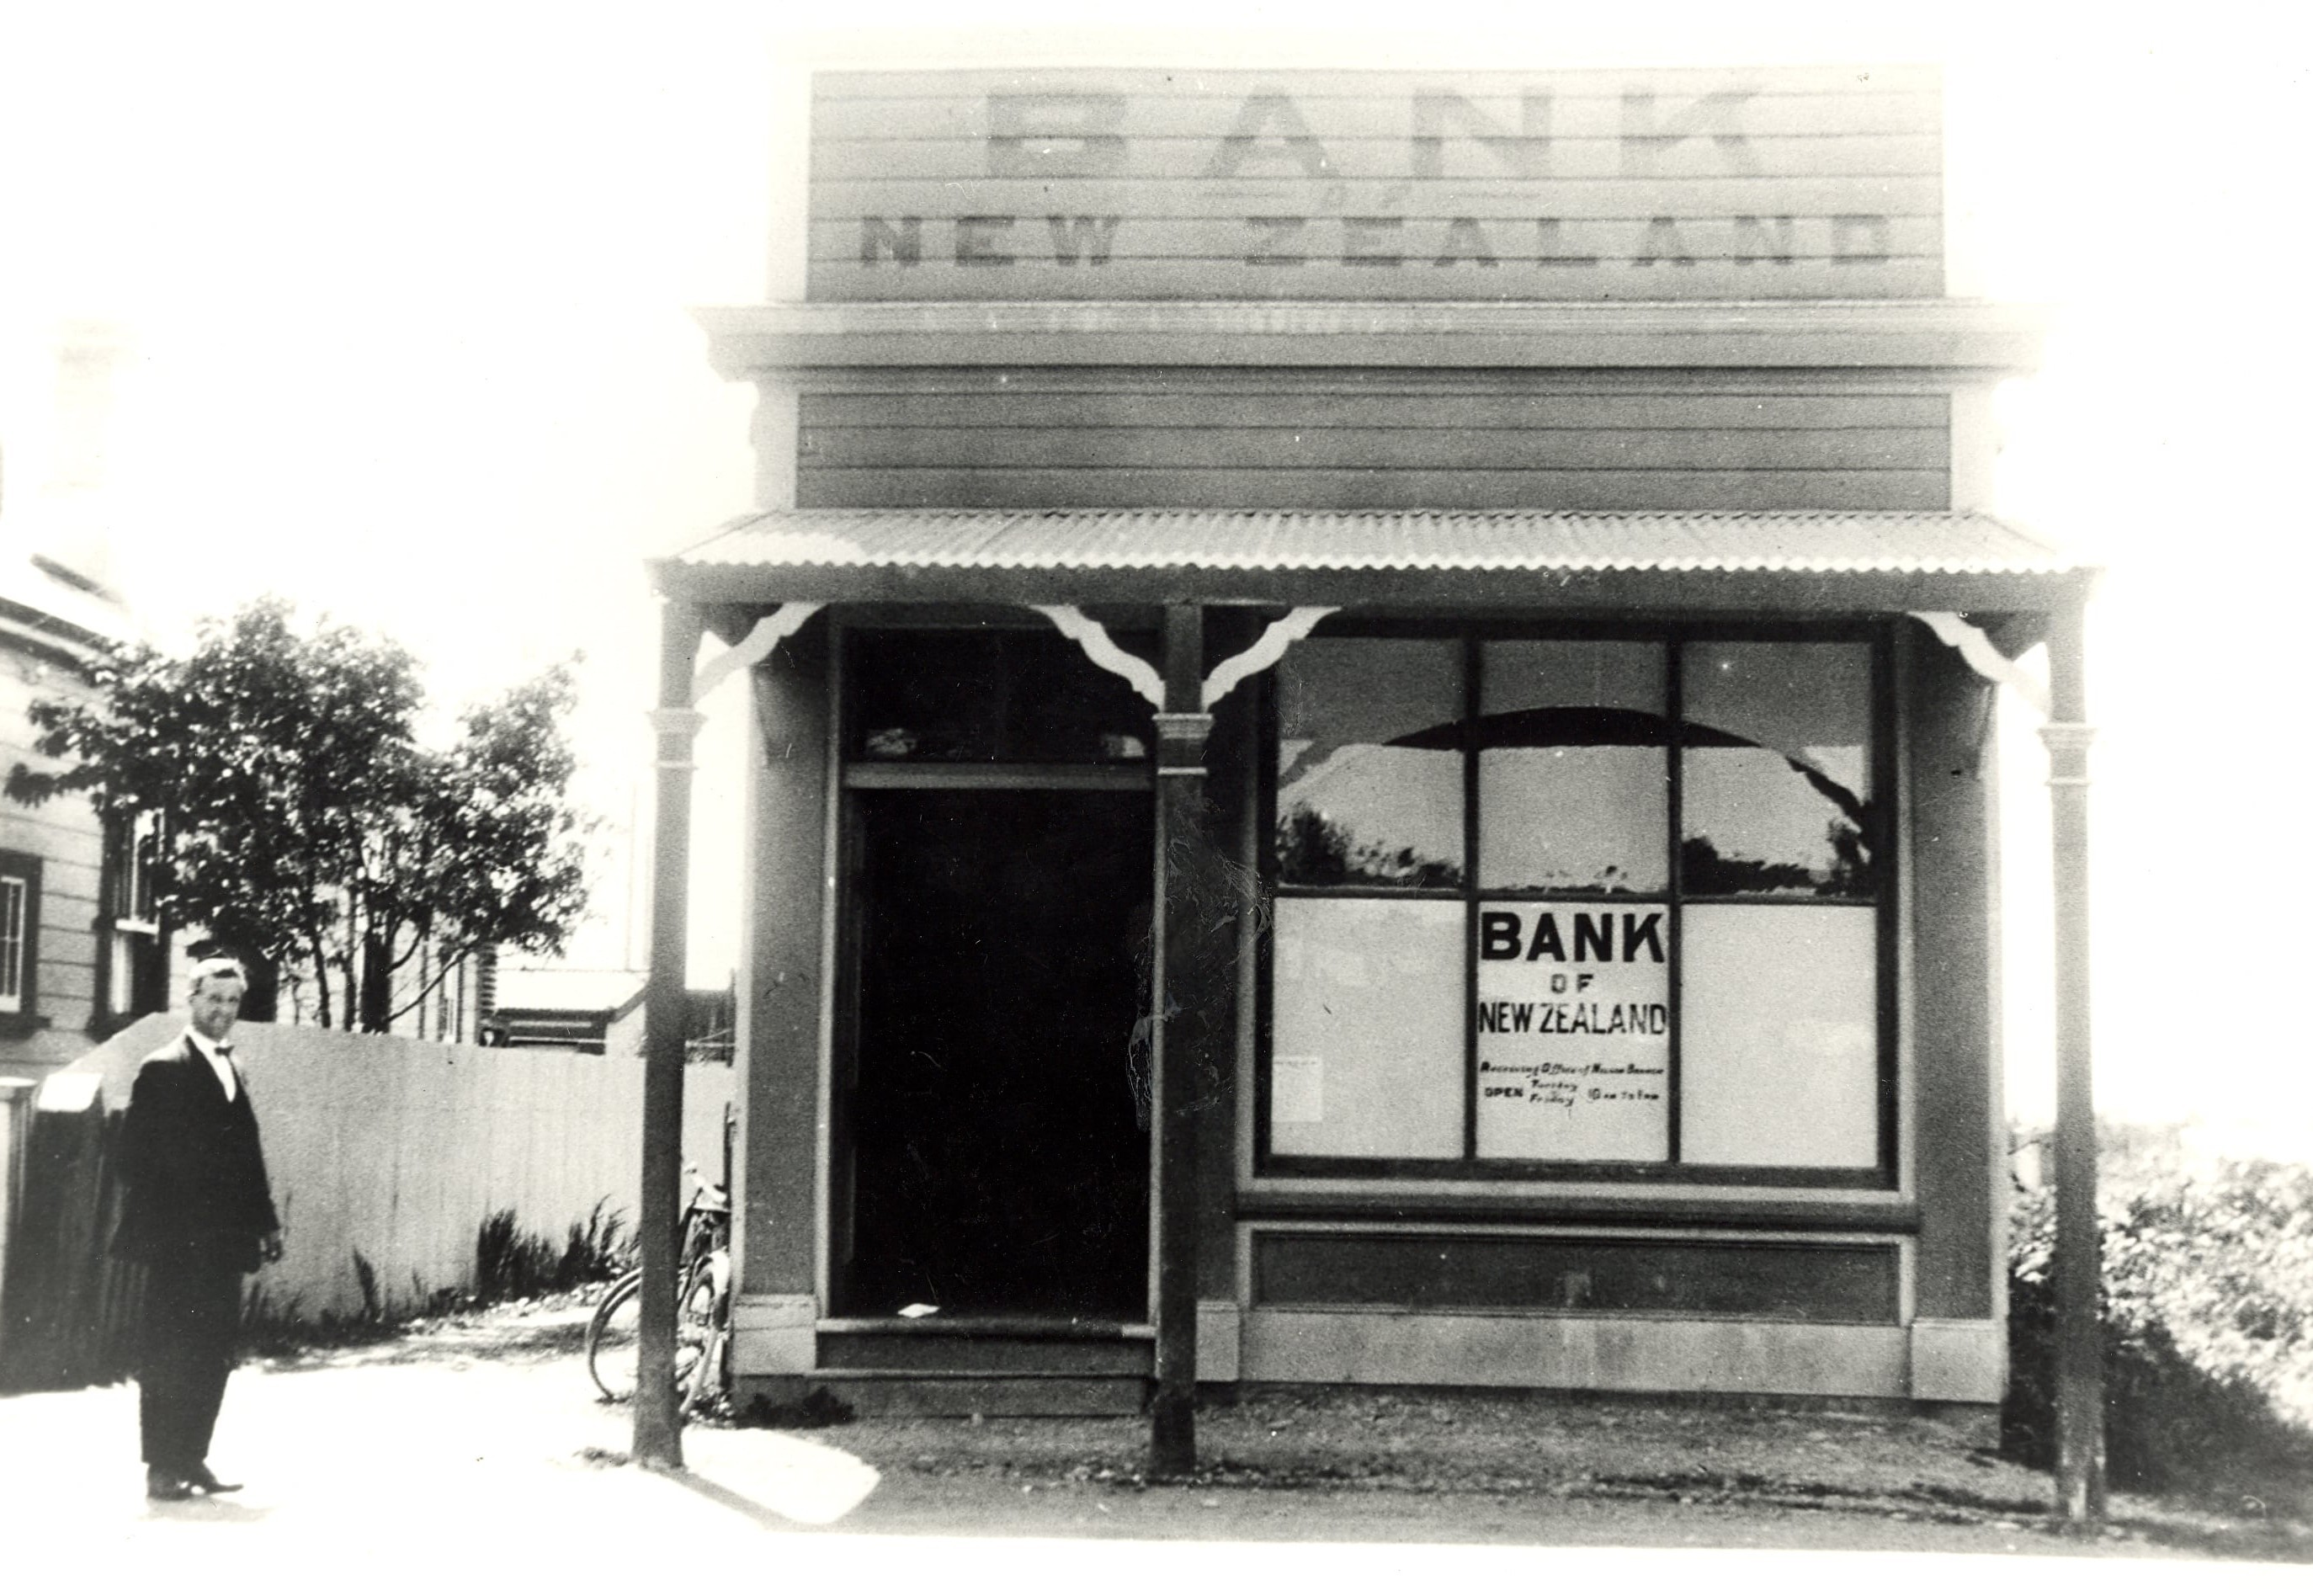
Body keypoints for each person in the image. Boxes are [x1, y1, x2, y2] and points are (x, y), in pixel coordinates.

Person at [111, 956, 284, 1501]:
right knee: (169, 1347)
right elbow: (130, 1158)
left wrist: (266, 1222)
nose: (223, 1011)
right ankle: (161, 1466)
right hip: (178, 1240)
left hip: (226, 1239)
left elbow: (247, 1153)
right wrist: (186, 1199)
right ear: (191, 999)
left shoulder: (234, 1067)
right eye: (214, 999)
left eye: (232, 1001)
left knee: (212, 1348)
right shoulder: (163, 1067)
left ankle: (193, 1455)